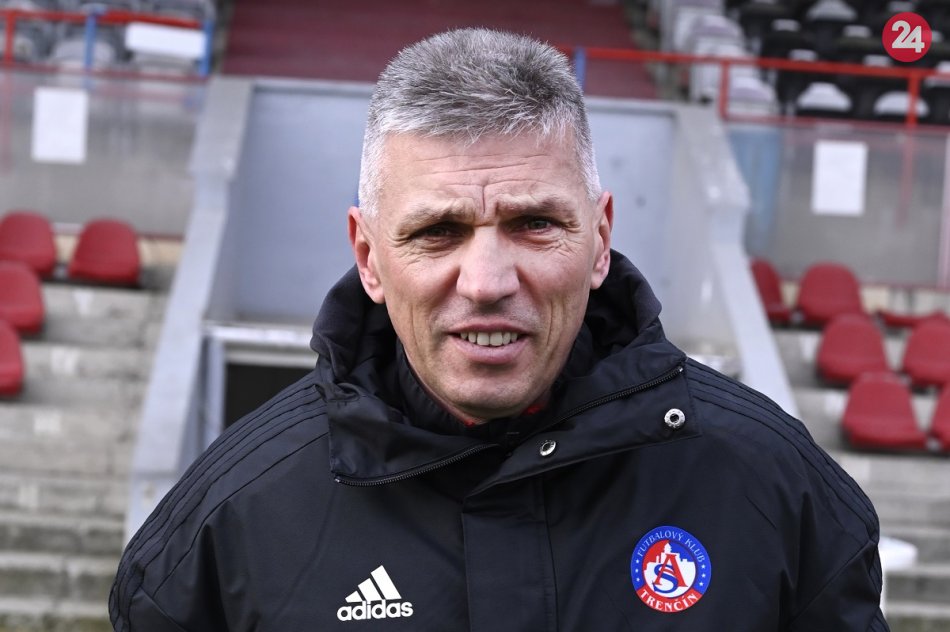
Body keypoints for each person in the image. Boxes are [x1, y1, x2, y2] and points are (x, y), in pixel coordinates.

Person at [110, 28, 888, 631]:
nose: (486, 282)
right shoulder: (223, 527)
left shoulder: (777, 491)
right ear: (369, 257)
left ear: (600, 238)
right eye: (438, 232)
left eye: (534, 223)